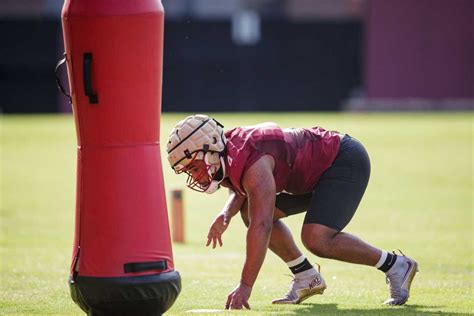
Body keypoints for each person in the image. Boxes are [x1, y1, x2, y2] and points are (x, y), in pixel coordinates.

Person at [166, 114, 418, 310]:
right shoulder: (228, 149)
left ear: (209, 149)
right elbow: (240, 188)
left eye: (194, 166)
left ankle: (396, 265)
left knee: (316, 238)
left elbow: (262, 225)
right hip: (312, 175)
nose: (194, 175)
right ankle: (307, 277)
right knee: (247, 211)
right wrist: (226, 214)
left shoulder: (253, 161)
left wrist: (245, 285)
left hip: (342, 161)